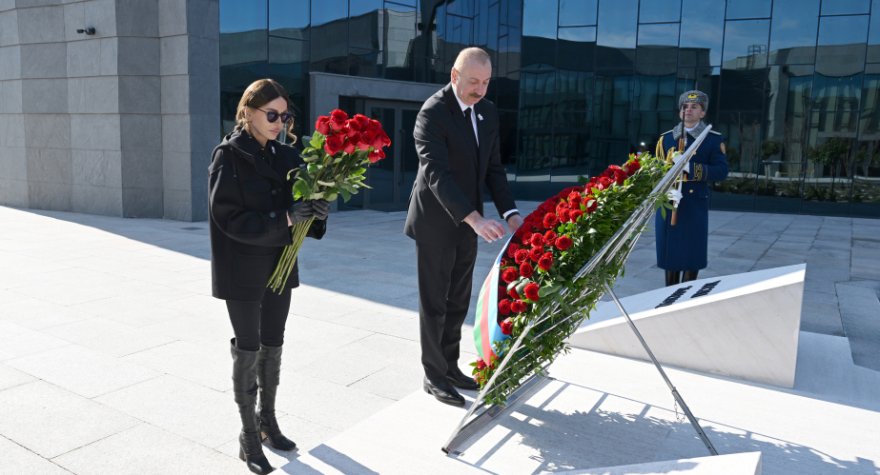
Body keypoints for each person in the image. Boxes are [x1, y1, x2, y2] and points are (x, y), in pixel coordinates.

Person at [209, 78, 329, 475]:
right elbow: (227, 217)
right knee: (249, 347)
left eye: (285, 116)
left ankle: (268, 422)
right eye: (272, 115)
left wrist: (316, 213)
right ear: (248, 112)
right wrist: (286, 218)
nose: (279, 123)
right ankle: (248, 436)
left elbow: (301, 206)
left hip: (279, 264)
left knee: (273, 344)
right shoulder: (228, 155)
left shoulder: (287, 154)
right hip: (242, 268)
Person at [404, 47, 524, 407]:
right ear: (454, 76)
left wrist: (511, 213)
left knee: (457, 300)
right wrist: (475, 218)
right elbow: (436, 174)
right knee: (435, 303)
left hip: (469, 223)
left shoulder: (487, 111)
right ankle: (434, 376)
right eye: (474, 82)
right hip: (435, 222)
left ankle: (451, 367)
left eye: (486, 82)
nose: (480, 90)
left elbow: (494, 168)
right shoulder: (432, 112)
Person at [655, 90, 729, 286]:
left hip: (694, 204)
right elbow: (657, 170)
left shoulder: (712, 139)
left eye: (694, 107)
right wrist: (665, 188)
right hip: (669, 202)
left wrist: (690, 167)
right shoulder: (666, 139)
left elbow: (721, 171)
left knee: (691, 253)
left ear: (702, 113)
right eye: (684, 106)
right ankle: (669, 294)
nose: (688, 110)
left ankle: (686, 294)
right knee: (670, 253)